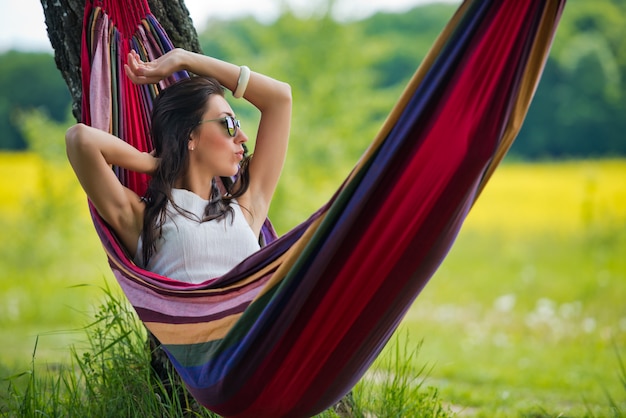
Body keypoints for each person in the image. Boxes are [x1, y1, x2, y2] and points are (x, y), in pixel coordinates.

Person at [66, 48, 292, 283]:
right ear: (190, 136)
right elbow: (80, 139)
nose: (243, 136)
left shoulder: (245, 208)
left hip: (258, 319)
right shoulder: (144, 220)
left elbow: (280, 98)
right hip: (189, 319)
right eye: (229, 124)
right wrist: (151, 162)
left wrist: (185, 59)